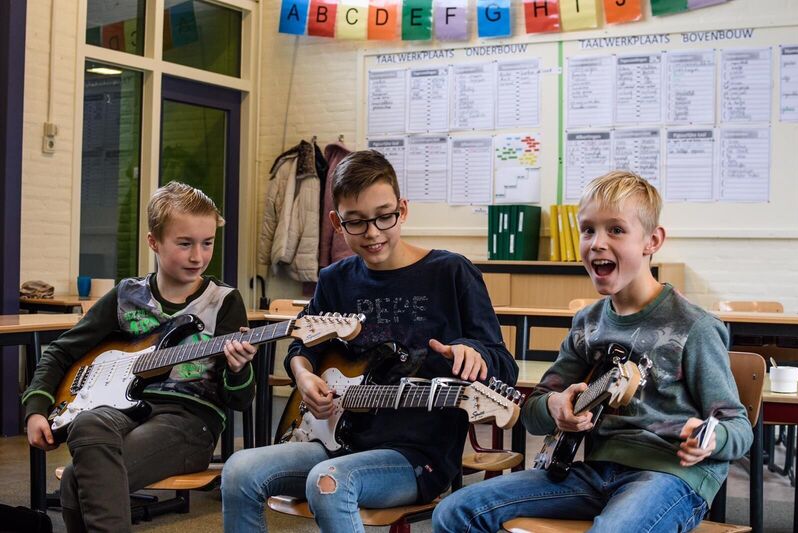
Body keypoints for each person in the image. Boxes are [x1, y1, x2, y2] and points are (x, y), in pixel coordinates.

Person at [433, 171, 753, 533]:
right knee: (455, 511)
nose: (597, 243)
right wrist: (555, 407)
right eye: (588, 230)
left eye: (616, 229)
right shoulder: (588, 323)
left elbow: (738, 426)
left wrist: (712, 437)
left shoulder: (694, 326)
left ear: (652, 240)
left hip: (670, 477)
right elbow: (534, 412)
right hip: (593, 473)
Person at [221, 150, 518, 533]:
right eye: (357, 223)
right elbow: (302, 346)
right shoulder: (335, 280)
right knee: (238, 470)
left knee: (329, 482)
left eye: (384, 217)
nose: (373, 233)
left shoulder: (451, 273)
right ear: (336, 222)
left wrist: (475, 354)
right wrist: (303, 376)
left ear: (403, 209)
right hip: (333, 438)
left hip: (414, 456)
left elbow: (503, 365)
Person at [23, 181, 257, 533]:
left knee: (75, 479)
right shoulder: (127, 295)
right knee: (86, 425)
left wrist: (239, 368)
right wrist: (36, 407)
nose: (198, 256)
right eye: (184, 243)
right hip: (121, 411)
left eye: (207, 243)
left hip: (189, 422)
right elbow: (61, 349)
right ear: (154, 242)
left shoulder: (223, 301)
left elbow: (239, 400)